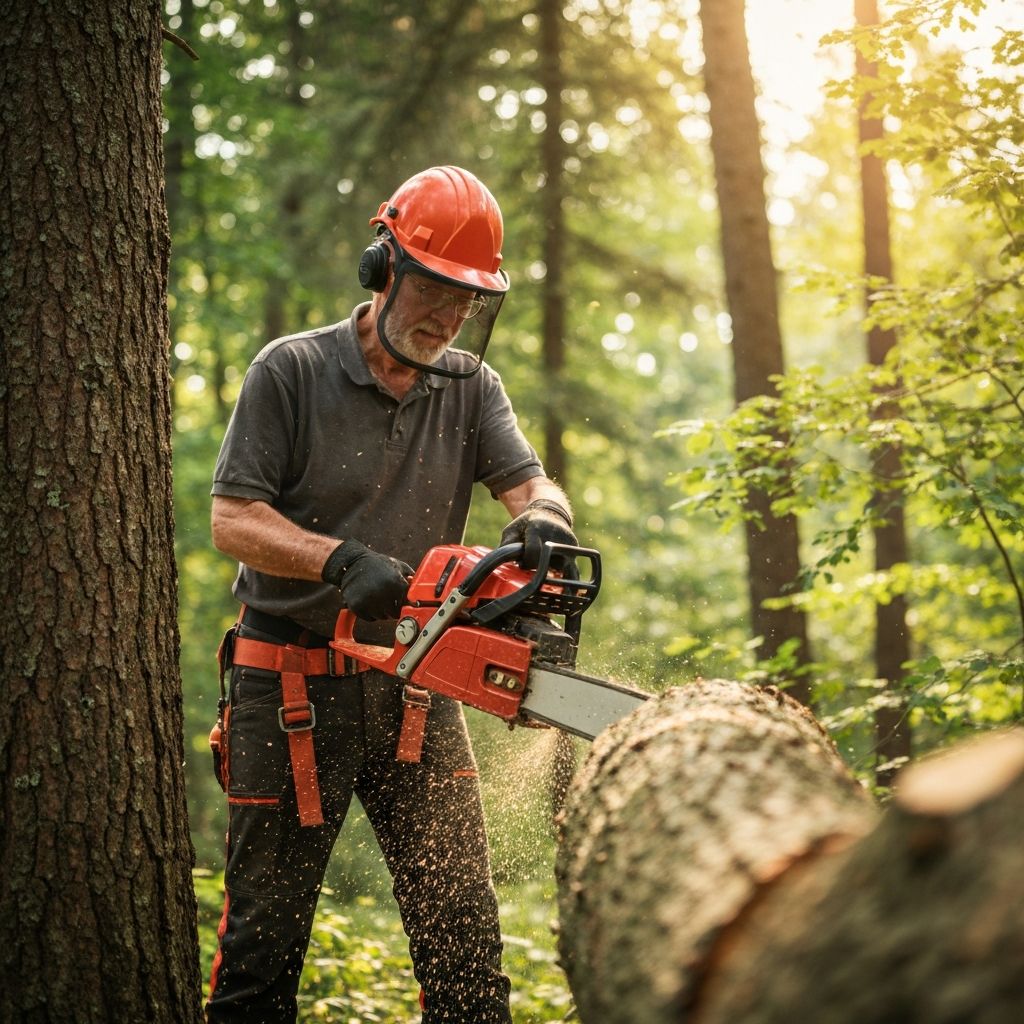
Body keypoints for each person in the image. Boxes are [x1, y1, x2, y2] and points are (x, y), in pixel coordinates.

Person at [205, 165, 579, 1024]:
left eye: (467, 303)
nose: (447, 317)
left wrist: (545, 522)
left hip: (417, 684)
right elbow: (232, 518)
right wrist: (335, 560)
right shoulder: (290, 370)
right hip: (288, 688)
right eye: (436, 291)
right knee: (262, 954)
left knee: (466, 949)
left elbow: (532, 486)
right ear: (385, 268)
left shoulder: (472, 388)